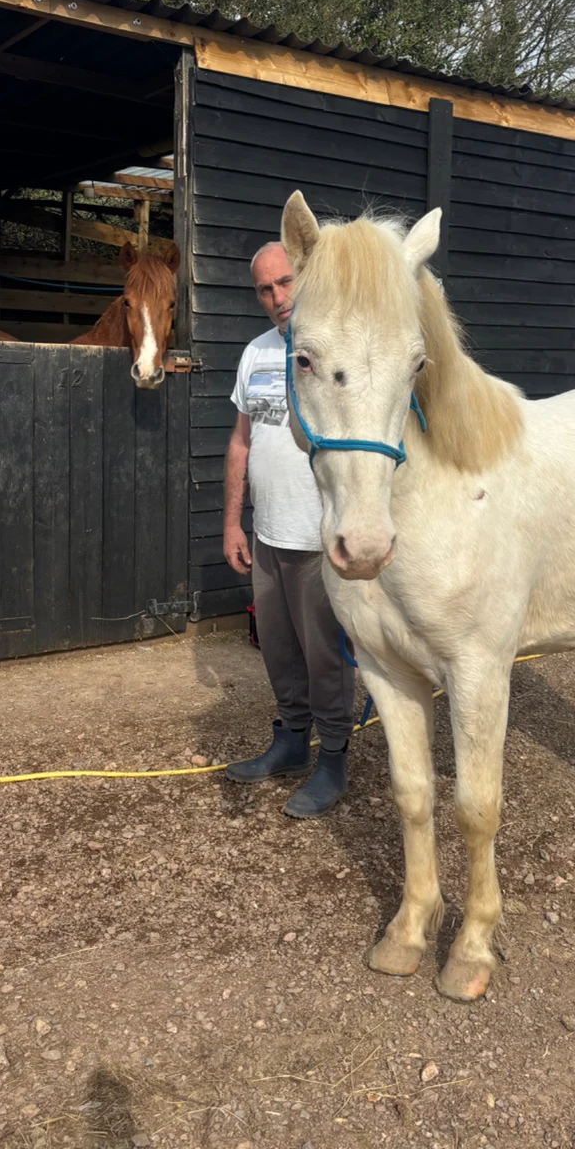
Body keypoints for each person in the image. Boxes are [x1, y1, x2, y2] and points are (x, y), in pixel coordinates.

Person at [222, 241, 355, 816]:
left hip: (318, 537)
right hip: (269, 534)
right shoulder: (254, 355)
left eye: (285, 282)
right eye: (265, 289)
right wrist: (233, 520)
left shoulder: (336, 347)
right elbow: (240, 441)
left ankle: (334, 760)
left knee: (325, 655)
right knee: (277, 649)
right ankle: (293, 742)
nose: (277, 297)